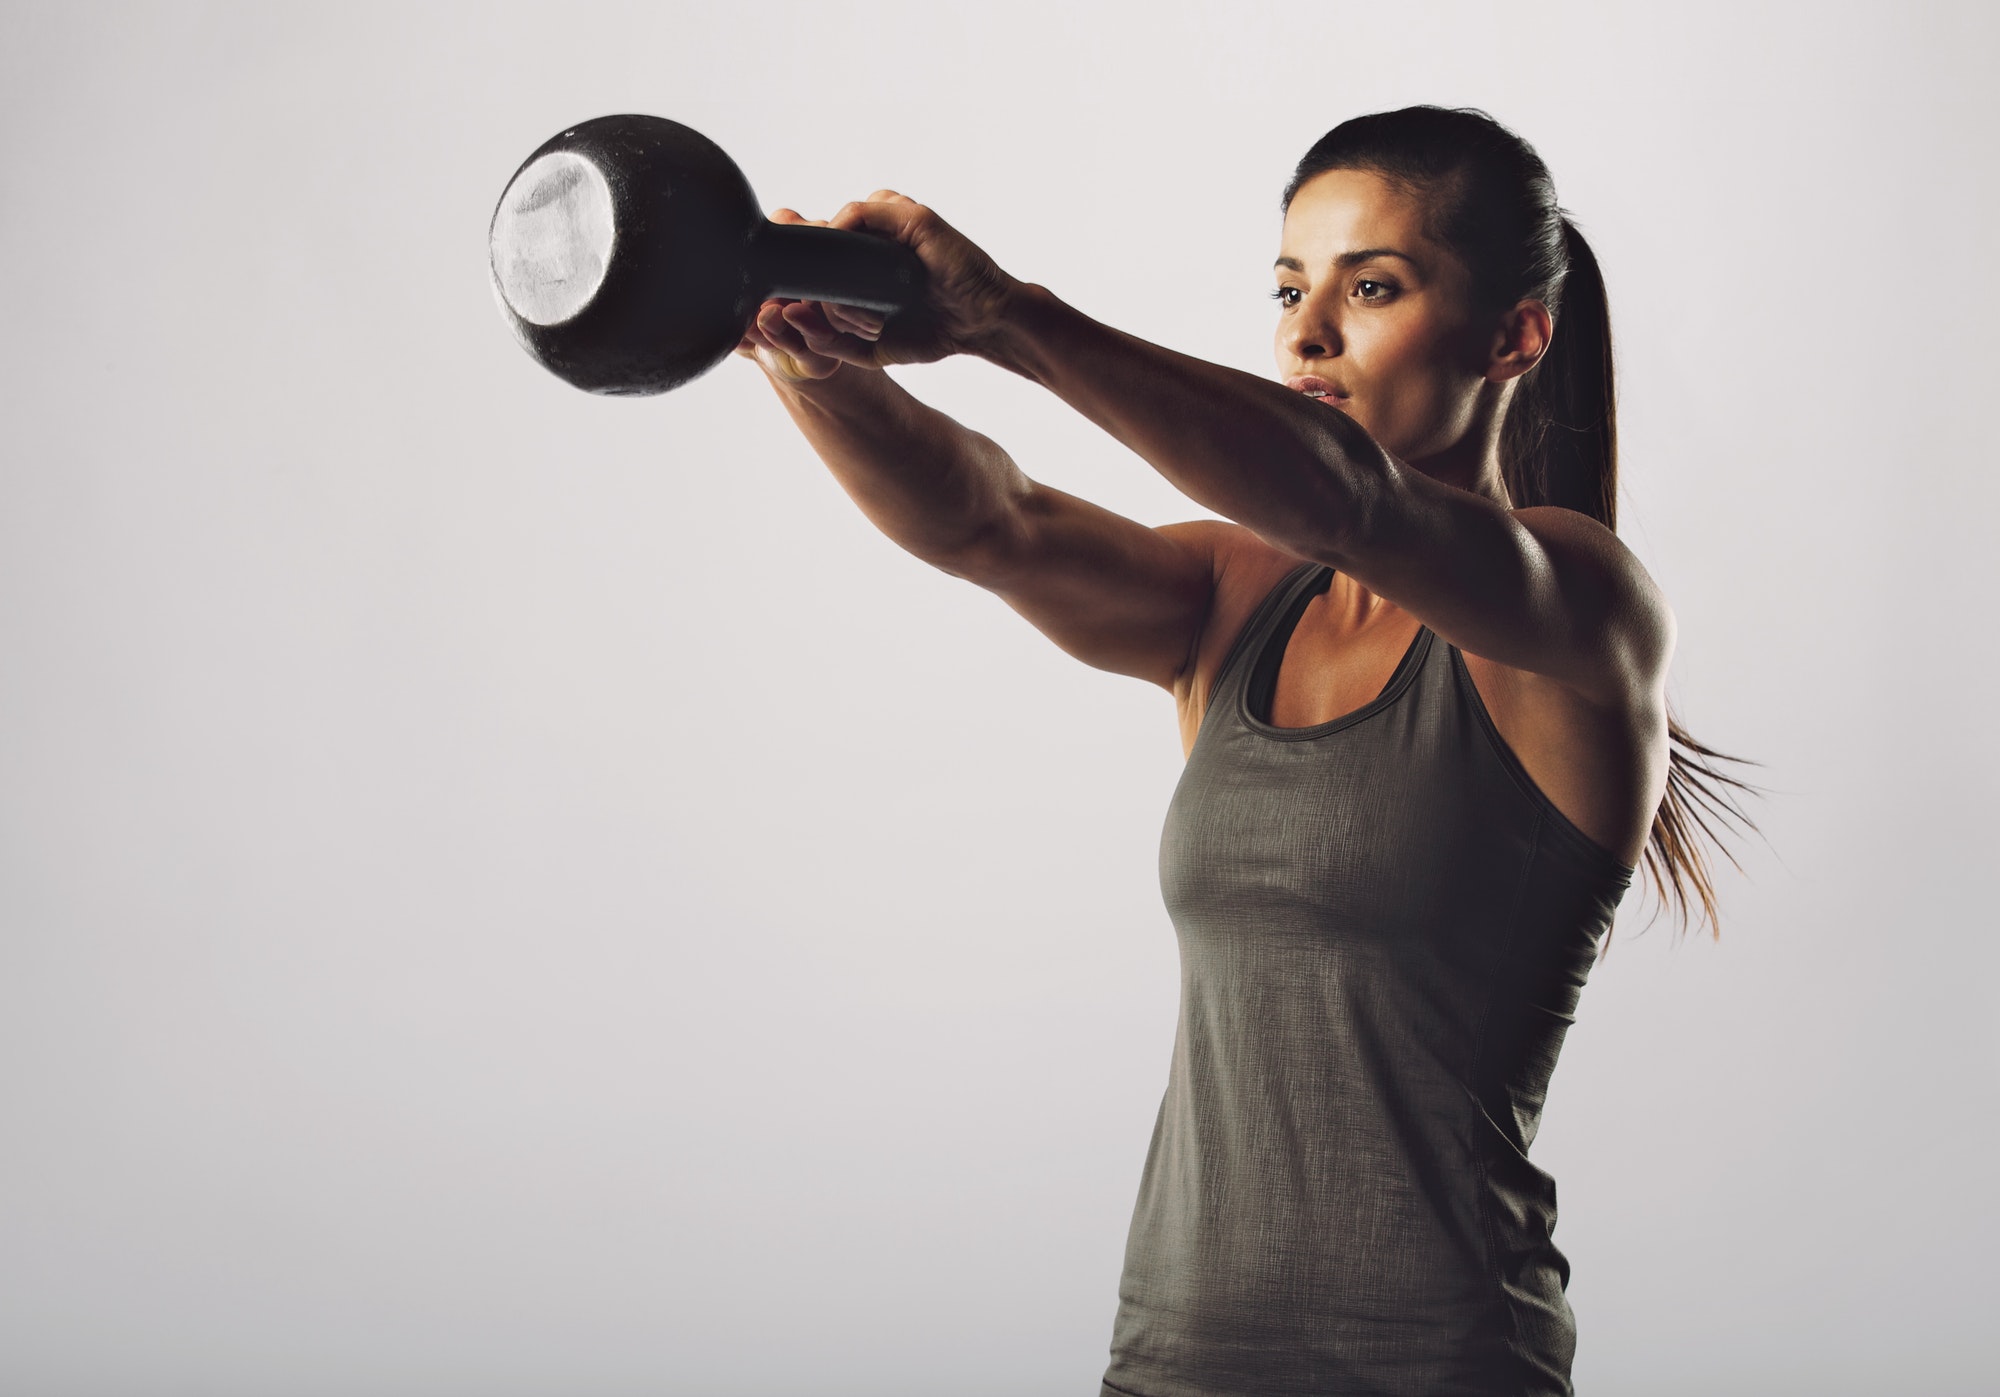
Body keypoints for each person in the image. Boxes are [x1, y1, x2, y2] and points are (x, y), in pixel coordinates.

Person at [734, 105, 1751, 1397]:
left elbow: (1350, 497)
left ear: (1515, 335)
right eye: (1288, 286)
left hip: (1438, 1368)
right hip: (1174, 1362)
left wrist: (1009, 317)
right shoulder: (1234, 600)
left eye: (1371, 286)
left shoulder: (1581, 609)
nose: (1305, 332)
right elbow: (989, 519)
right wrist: (804, 356)